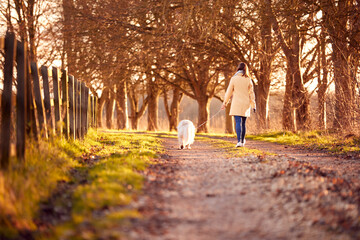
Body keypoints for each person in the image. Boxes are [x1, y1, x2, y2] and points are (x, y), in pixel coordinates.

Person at [221, 62, 256, 147]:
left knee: (238, 122)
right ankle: (242, 141)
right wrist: (253, 105)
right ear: (245, 69)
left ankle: (239, 141)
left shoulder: (234, 78)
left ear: (238, 69)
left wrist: (225, 103)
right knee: (243, 123)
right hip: (245, 103)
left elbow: (229, 92)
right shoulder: (248, 79)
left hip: (236, 103)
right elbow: (251, 94)